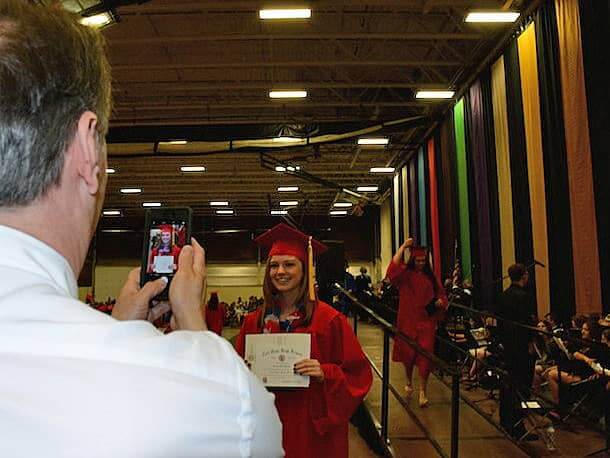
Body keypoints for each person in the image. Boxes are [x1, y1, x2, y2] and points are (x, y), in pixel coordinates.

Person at [0, 3, 283, 456]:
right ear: (87, 152)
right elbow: (249, 427)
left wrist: (115, 330)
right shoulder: (210, 396)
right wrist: (194, 329)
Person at [236, 223, 372, 458]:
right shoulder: (254, 322)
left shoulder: (329, 320)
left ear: (305, 270)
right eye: (274, 265)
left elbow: (359, 376)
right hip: (268, 424)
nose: (280, 271)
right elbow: (235, 378)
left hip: (311, 431)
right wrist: (242, 371)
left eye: (289, 264)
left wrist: (324, 372)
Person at [386, 238, 448, 408]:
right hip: (408, 321)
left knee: (425, 357)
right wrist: (404, 247)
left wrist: (441, 303)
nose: (420, 263)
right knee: (408, 355)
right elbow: (392, 269)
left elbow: (442, 294)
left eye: (423, 260)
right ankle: (408, 380)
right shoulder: (405, 275)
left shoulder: (431, 277)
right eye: (418, 260)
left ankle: (422, 390)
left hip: (426, 322)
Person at [496, 263, 537, 439]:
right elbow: (528, 324)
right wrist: (530, 343)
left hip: (508, 346)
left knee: (507, 384)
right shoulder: (525, 297)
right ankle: (518, 427)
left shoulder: (503, 296)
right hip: (522, 348)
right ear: (524, 276)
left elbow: (500, 322)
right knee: (522, 387)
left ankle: (505, 420)